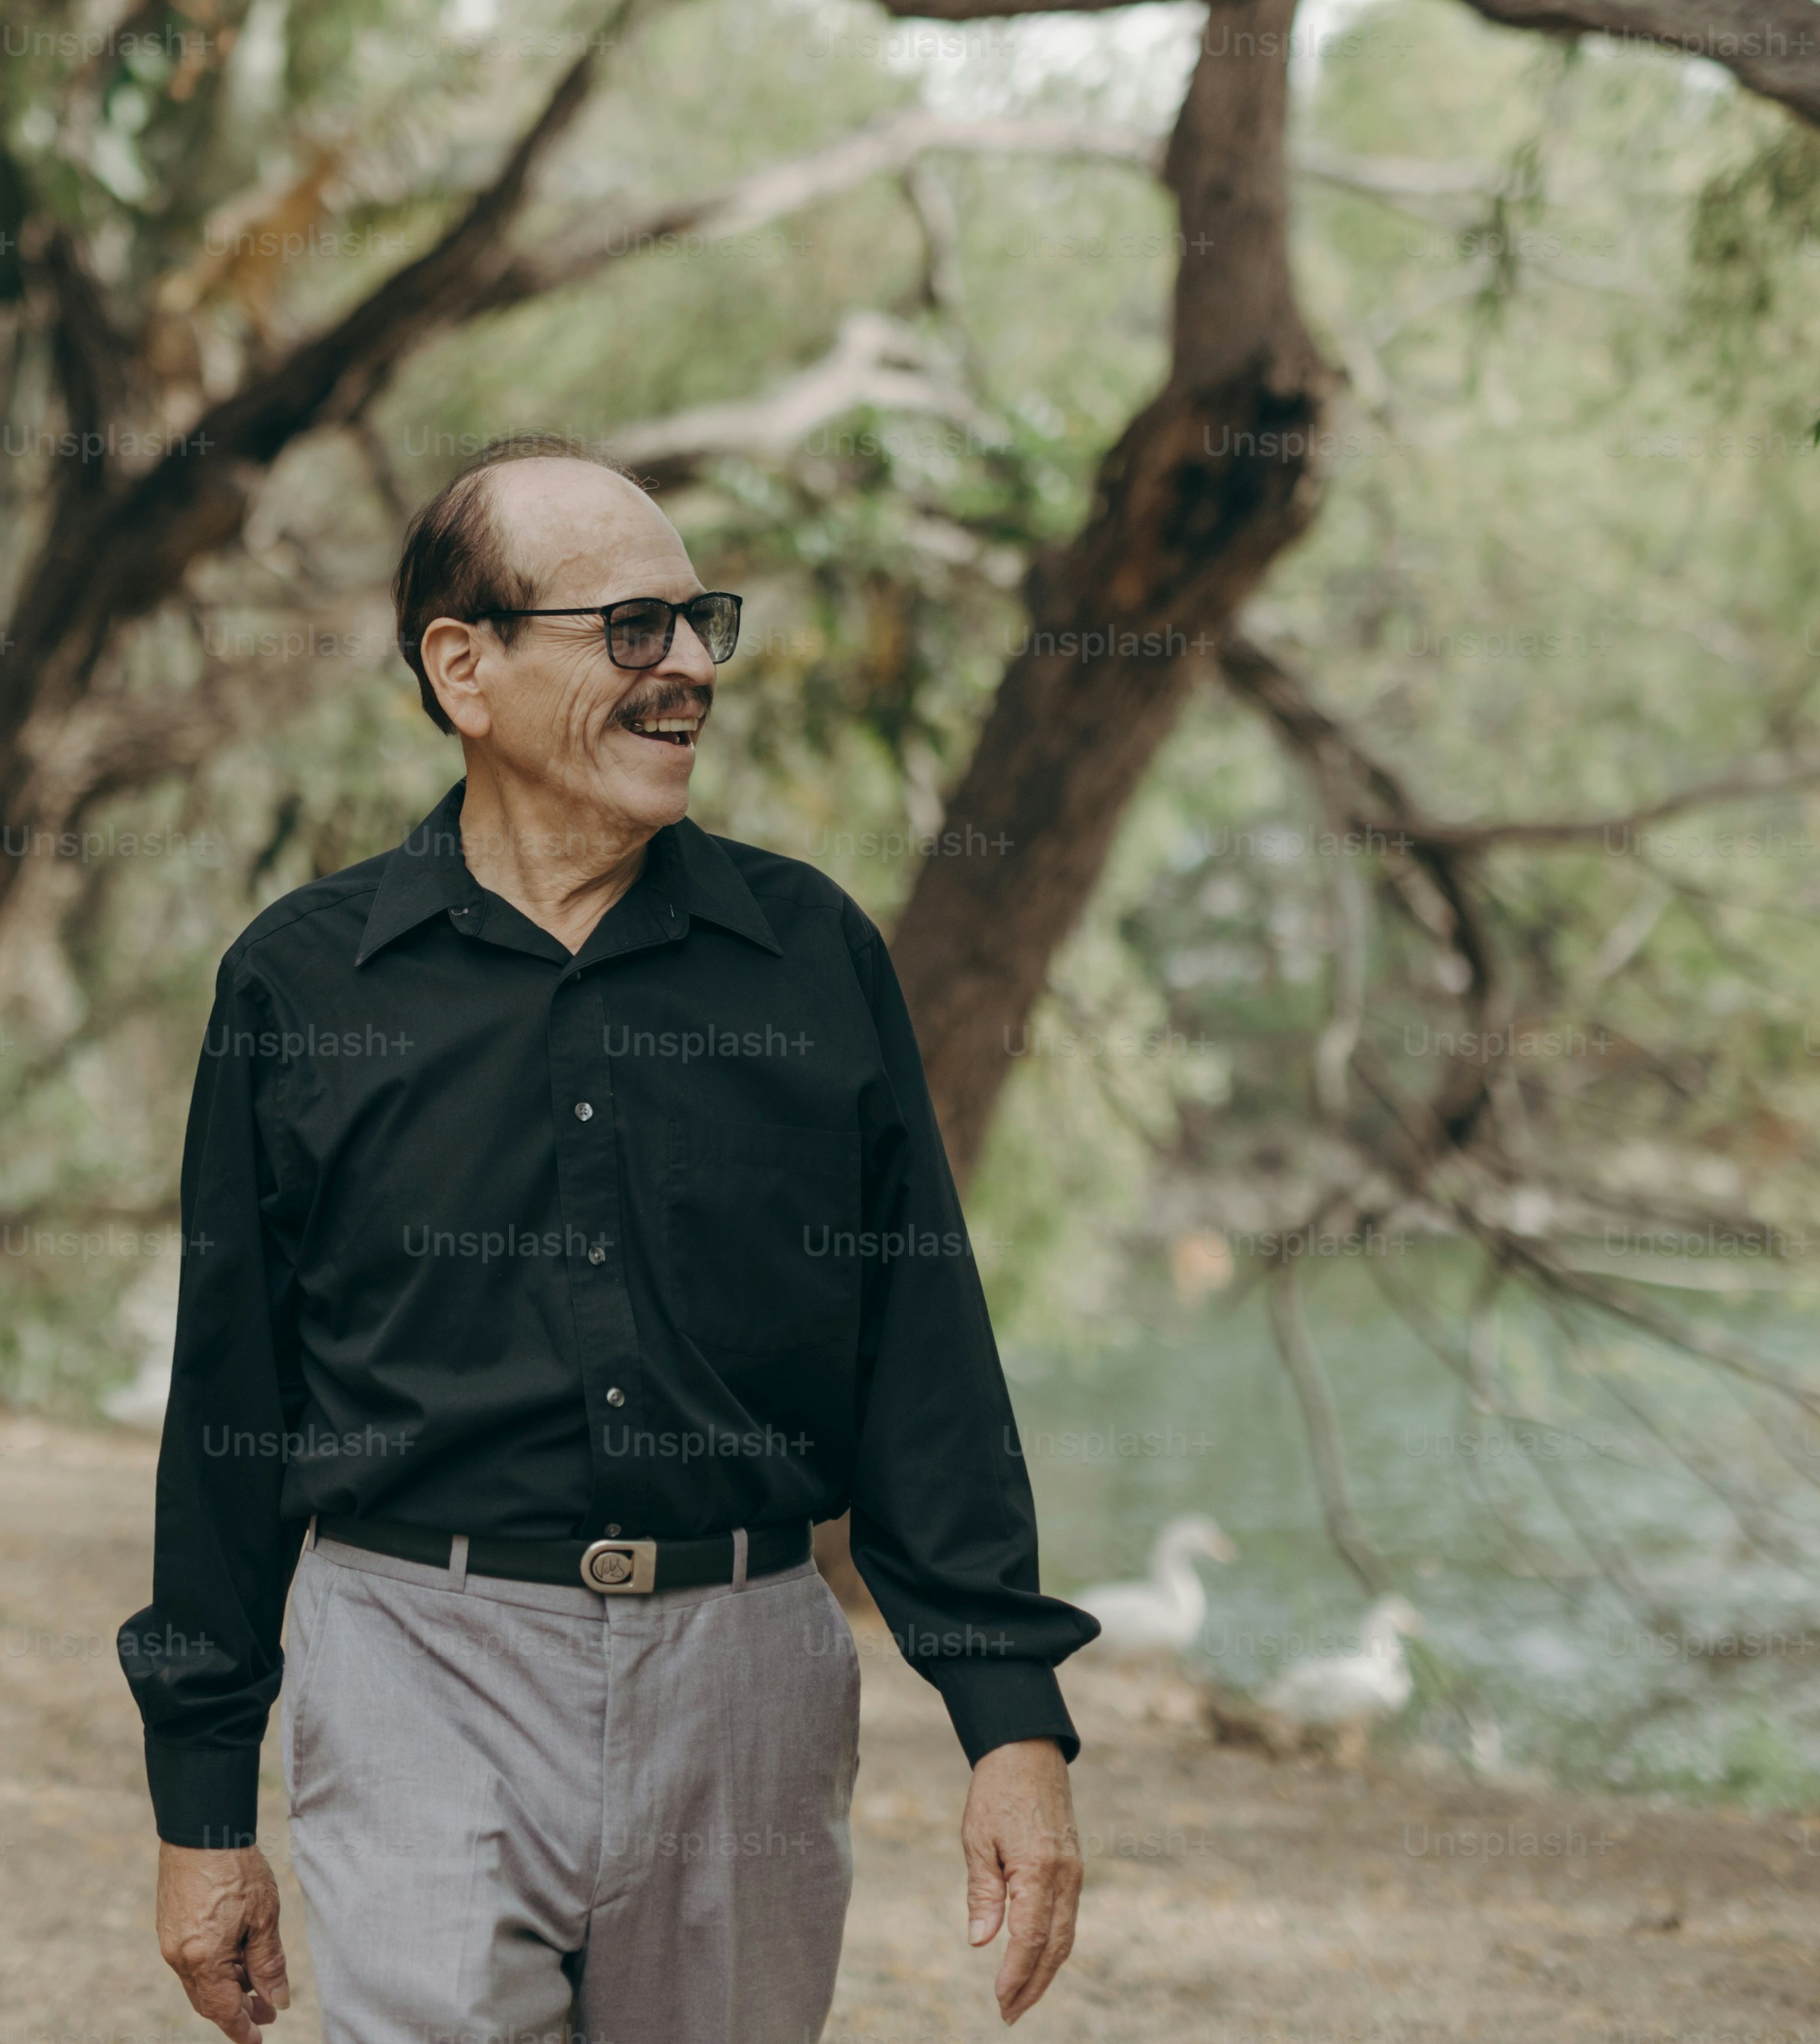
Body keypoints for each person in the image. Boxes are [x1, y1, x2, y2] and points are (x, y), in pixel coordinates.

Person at [119, 438, 1094, 2043]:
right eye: (633, 627)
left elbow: (920, 1357)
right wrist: (201, 1804)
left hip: (750, 1674)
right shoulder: (300, 986)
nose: (693, 666)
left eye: (702, 620)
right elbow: (231, 1406)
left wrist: (1008, 1717)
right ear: (463, 666)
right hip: (411, 1654)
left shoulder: (807, 957)